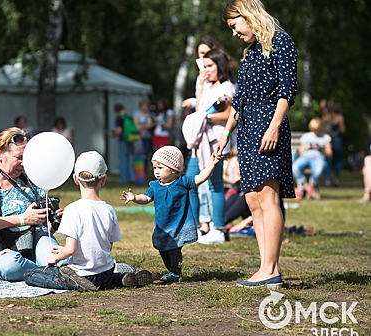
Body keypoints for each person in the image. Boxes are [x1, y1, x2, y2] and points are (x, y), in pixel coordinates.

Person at [215, 0, 298, 289]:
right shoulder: (250, 52)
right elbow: (239, 101)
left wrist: (274, 126)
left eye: (235, 26)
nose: (235, 34)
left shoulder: (280, 42)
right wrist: (226, 136)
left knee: (267, 196)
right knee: (251, 199)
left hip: (268, 126)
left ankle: (271, 269)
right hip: (248, 131)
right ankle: (264, 267)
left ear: (248, 16)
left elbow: (288, 90)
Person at [24, 151, 153, 291]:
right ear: (103, 180)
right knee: (103, 276)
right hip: (106, 271)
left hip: (83, 273)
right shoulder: (109, 209)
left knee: (31, 274)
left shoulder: (73, 209)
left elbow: (70, 249)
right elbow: (107, 246)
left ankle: (74, 282)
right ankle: (119, 278)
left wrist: (55, 258)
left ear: (75, 179)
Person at [0, 127, 72, 282]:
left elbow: (42, 227)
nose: (24, 164)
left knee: (61, 257)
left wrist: (52, 222)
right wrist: (22, 219)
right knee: (11, 267)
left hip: (36, 240)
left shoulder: (32, 178)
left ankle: (44, 272)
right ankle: (49, 273)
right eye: (19, 157)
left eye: (26, 158)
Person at [121, 146, 220, 283]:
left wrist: (212, 164)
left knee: (174, 249)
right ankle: (172, 270)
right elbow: (146, 198)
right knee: (163, 249)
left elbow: (201, 178)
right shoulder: (155, 186)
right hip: (163, 226)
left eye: (160, 168)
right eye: (154, 168)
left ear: (174, 169)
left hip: (179, 225)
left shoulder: (182, 182)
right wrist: (135, 197)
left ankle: (175, 271)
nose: (156, 172)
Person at [182, 49, 236, 244]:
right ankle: (196, 228)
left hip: (214, 142)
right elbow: (199, 110)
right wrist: (200, 85)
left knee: (215, 185)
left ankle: (218, 229)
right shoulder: (208, 86)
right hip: (200, 144)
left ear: (219, 65)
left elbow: (229, 114)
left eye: (209, 66)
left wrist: (206, 117)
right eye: (204, 66)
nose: (206, 70)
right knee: (190, 183)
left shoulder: (226, 87)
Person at [292, 117, 332, 200]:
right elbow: (300, 151)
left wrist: (321, 148)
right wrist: (307, 147)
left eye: (318, 129)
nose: (316, 132)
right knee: (294, 167)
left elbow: (330, 154)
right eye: (314, 130)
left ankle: (308, 187)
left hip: (318, 158)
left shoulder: (325, 137)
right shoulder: (306, 137)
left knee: (319, 169)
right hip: (305, 157)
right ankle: (308, 188)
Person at [321, 101, 346, 187]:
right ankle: (336, 180)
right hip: (337, 140)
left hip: (327, 140)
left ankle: (327, 180)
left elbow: (321, 128)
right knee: (338, 160)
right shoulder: (339, 117)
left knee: (328, 160)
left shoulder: (325, 116)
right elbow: (342, 130)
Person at [113, 103, 136, 185]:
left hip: (123, 140)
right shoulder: (129, 116)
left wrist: (114, 134)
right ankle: (131, 177)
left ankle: (122, 179)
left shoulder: (119, 118)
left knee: (123, 159)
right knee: (129, 159)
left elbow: (119, 131)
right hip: (130, 139)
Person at [133, 98, 155, 177]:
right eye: (143, 106)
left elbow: (153, 125)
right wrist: (147, 126)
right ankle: (139, 175)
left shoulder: (151, 115)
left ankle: (145, 173)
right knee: (139, 156)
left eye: (146, 106)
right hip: (139, 138)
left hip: (148, 138)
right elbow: (138, 127)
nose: (145, 107)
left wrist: (143, 126)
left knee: (147, 156)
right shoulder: (136, 114)